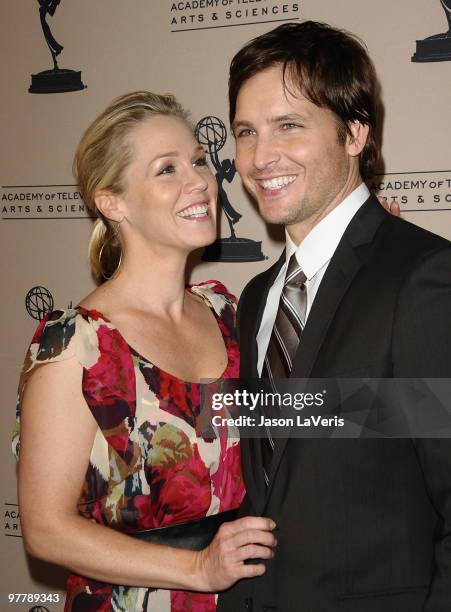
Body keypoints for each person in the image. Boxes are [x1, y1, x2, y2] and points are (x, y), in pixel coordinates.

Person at [217, 21, 451, 612]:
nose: (259, 156)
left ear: (354, 133)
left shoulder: (422, 277)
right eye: (246, 132)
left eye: (288, 126)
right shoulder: (257, 299)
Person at [12, 91, 277, 612]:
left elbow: (314, 413)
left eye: (199, 161)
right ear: (112, 202)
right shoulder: (77, 345)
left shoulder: (227, 312)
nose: (200, 180)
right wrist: (198, 568)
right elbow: (45, 530)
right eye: (167, 169)